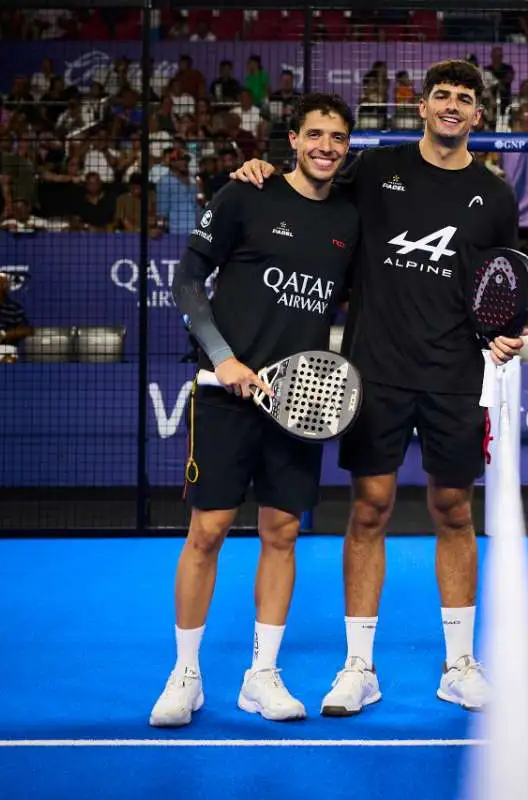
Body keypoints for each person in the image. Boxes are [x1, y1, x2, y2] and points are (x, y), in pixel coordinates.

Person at [229, 60, 524, 716]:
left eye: (465, 98)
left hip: (454, 376)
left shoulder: (495, 195)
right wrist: (262, 175)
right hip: (376, 371)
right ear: (422, 106)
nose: (452, 105)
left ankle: (459, 664)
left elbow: (503, 281)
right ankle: (358, 665)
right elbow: (308, 190)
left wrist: (504, 332)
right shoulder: (374, 171)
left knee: (455, 510)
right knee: (369, 509)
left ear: (479, 115)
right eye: (441, 95)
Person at [148, 93, 360, 727]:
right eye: (314, 134)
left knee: (282, 532)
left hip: (299, 402)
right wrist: (224, 359)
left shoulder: (349, 218)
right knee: (207, 531)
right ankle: (185, 675)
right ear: (292, 140)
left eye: (337, 138)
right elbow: (188, 282)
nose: (325, 147)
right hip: (225, 395)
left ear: (347, 147)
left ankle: (261, 675)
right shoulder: (246, 194)